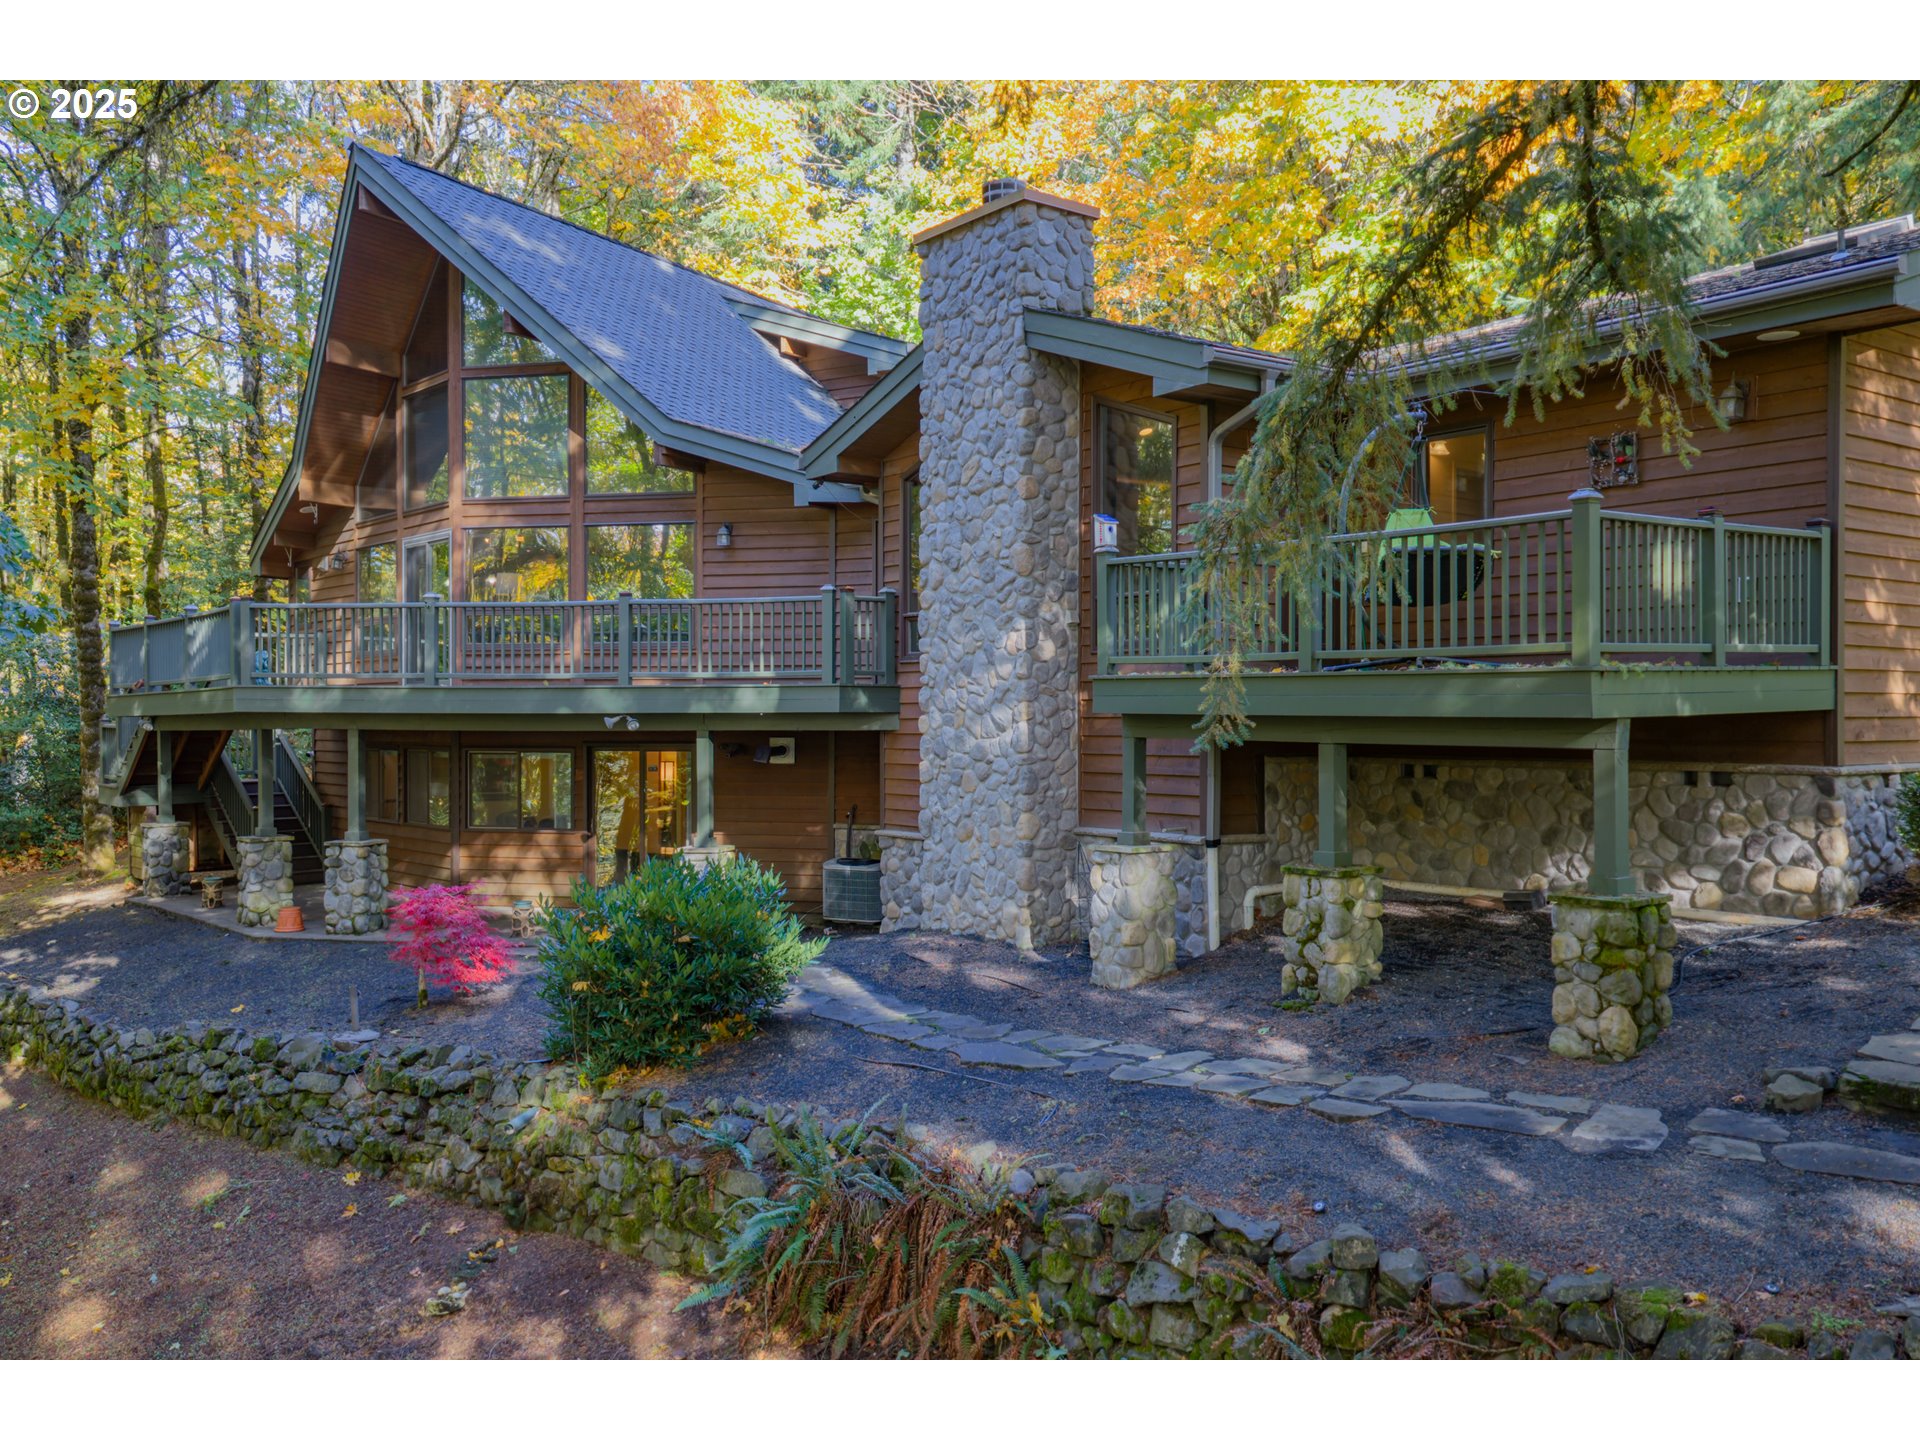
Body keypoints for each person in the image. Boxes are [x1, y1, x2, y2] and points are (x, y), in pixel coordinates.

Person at [613, 787, 641, 883]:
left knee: (624, 865)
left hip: (624, 843)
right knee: (623, 865)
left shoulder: (628, 812)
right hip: (624, 843)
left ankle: (623, 883)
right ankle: (623, 883)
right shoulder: (630, 812)